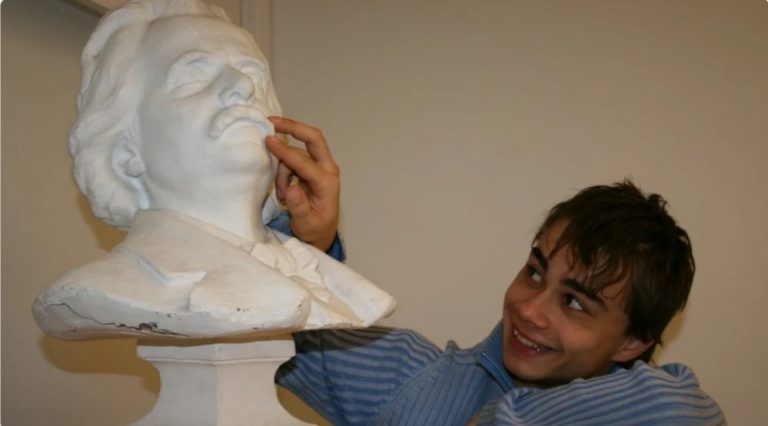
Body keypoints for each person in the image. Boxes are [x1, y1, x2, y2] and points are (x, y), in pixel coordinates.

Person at [266, 117, 726, 425]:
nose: (529, 310)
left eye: (573, 302)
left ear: (632, 343)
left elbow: (681, 408)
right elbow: (269, 328)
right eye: (535, 273)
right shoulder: (413, 380)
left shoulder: (660, 409)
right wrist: (311, 244)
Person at [32, 0, 394, 341]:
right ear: (126, 150)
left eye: (253, 75)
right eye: (195, 76)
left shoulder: (325, 275)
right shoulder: (100, 288)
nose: (243, 86)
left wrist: (318, 242)